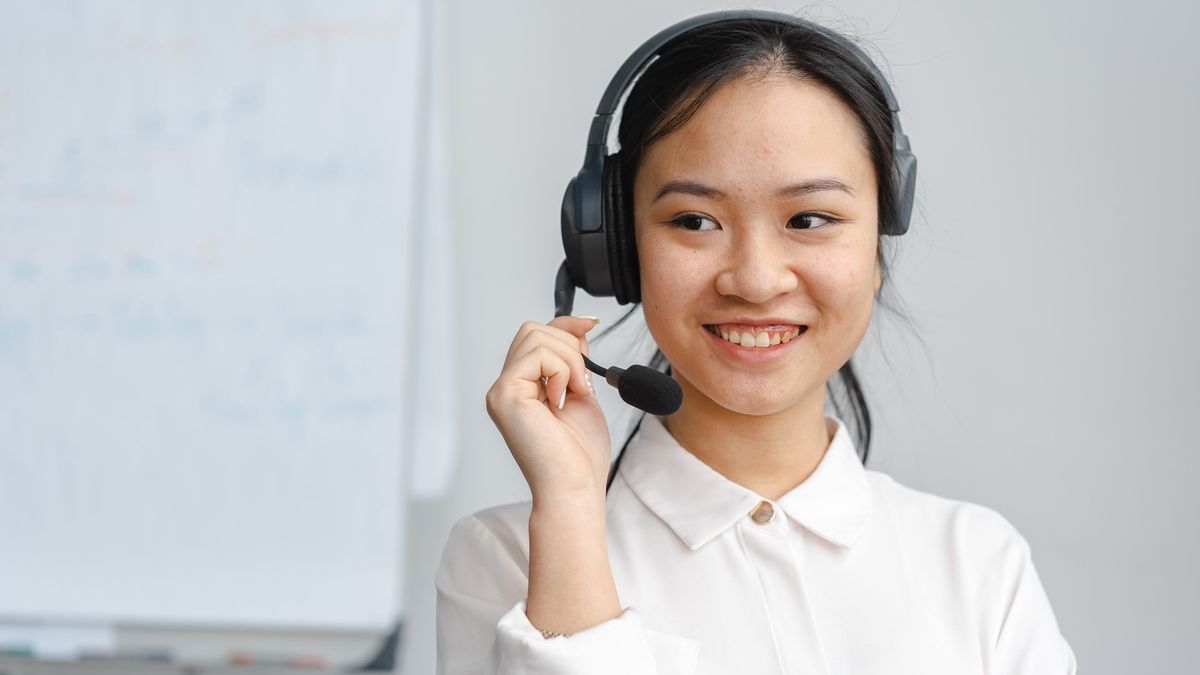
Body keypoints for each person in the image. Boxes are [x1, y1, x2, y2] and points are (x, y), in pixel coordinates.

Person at [436, 10, 1076, 674]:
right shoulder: (508, 555)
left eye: (809, 218)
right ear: (618, 250)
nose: (756, 278)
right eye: (694, 220)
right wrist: (570, 511)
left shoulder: (978, 566)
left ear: (877, 245)